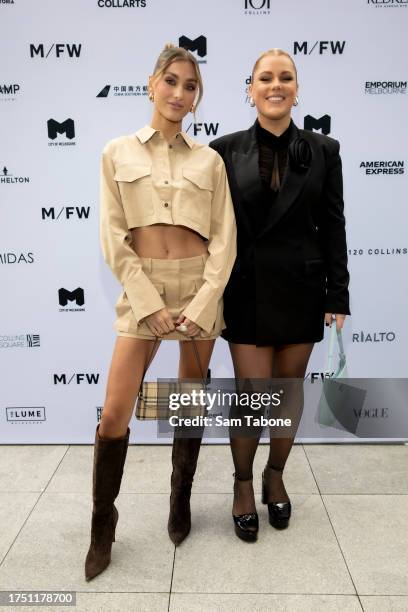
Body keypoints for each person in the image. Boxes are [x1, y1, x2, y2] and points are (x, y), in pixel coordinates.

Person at [84, 43, 236, 580]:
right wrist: (146, 302)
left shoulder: (209, 161)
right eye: (171, 81)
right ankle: (103, 522)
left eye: (190, 86)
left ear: (197, 100)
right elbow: (112, 235)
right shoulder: (116, 152)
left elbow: (224, 240)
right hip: (142, 287)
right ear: (152, 84)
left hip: (198, 290)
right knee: (114, 412)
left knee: (187, 402)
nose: (179, 92)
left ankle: (180, 499)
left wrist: (203, 302)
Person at [209, 48, 350, 541]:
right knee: (254, 398)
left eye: (285, 77)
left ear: (296, 88)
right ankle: (243, 484)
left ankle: (276, 476)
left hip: (303, 289)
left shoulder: (324, 149)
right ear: (249, 90)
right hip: (245, 289)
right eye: (264, 78)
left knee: (287, 397)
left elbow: (333, 224)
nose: (275, 85)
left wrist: (338, 295)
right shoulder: (223, 150)